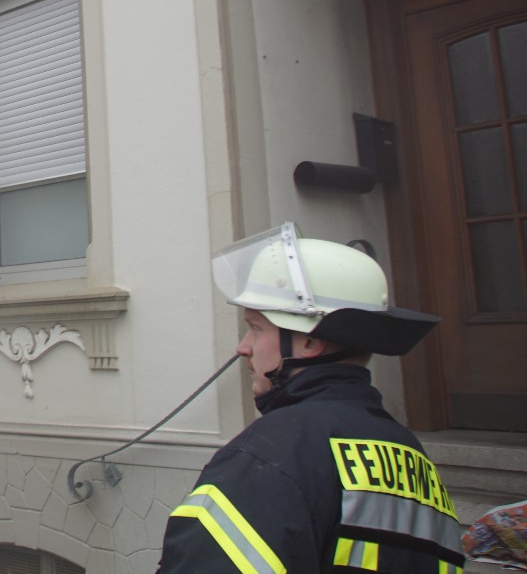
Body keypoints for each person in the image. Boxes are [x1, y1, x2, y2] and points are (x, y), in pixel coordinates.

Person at [157, 223, 466, 573]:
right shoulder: (408, 452)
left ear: (309, 341)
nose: (243, 347)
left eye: (257, 327)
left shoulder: (273, 452)